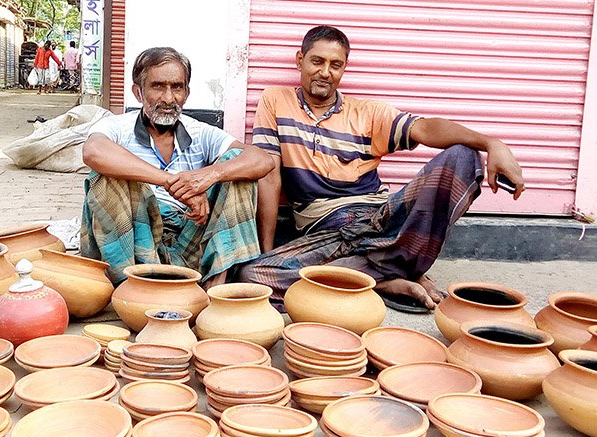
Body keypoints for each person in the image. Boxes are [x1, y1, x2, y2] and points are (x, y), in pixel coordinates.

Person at [237, 25, 525, 311]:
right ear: (300, 60)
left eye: (335, 65)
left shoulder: (368, 113)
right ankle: (389, 276)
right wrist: (268, 249)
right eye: (317, 61)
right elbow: (270, 177)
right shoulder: (275, 100)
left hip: (383, 219)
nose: (325, 72)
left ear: (344, 68)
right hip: (330, 233)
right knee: (254, 275)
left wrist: (491, 143)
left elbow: (423, 128)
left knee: (463, 155)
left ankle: (366, 273)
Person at [81, 47, 274, 288]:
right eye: (158, 86)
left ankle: (216, 293)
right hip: (136, 239)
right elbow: (93, 151)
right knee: (104, 176)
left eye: (177, 87)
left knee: (238, 167)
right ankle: (131, 288)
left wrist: (207, 177)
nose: (169, 98)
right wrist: (172, 183)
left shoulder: (199, 131)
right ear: (138, 93)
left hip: (189, 240)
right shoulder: (117, 127)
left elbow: (263, 160)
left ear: (187, 93)